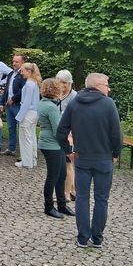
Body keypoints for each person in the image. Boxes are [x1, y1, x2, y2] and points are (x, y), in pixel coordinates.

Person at [57, 73, 122, 249]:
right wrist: (116, 153)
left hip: (82, 158)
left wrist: (68, 151)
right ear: (97, 85)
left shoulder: (74, 103)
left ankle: (83, 238)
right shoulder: (108, 104)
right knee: (101, 199)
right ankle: (97, 238)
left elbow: (61, 131)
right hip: (103, 158)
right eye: (106, 85)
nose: (109, 88)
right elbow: (116, 133)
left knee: (82, 198)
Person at [37, 77, 74, 219]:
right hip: (52, 145)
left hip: (51, 143)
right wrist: (67, 142)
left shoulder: (44, 103)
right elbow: (57, 131)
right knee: (53, 176)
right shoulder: (51, 107)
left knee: (61, 175)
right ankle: (49, 207)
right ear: (55, 90)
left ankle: (62, 204)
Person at [14, 62, 41, 168]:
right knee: (31, 136)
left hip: (28, 113)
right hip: (33, 113)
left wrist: (20, 116)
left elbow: (26, 102)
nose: (21, 73)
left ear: (29, 71)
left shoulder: (29, 84)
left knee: (26, 138)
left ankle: (27, 161)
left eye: (23, 71)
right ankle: (32, 160)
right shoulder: (34, 83)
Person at [56, 69, 78, 203]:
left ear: (70, 83)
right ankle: (74, 190)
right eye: (60, 82)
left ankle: (66, 193)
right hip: (59, 133)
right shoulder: (56, 95)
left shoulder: (75, 97)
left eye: (65, 83)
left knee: (68, 164)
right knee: (65, 164)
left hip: (69, 134)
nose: (63, 85)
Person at [0, 53, 26, 156]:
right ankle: (11, 148)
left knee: (22, 127)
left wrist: (14, 99)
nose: (14, 63)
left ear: (22, 62)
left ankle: (24, 151)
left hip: (18, 104)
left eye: (16, 62)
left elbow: (24, 90)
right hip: (8, 105)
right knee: (11, 128)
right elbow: (6, 89)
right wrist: (2, 103)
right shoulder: (11, 74)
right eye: (13, 61)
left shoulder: (23, 75)